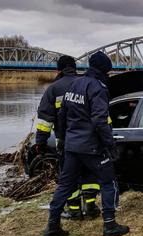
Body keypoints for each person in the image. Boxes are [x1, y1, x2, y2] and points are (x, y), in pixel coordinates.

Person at [43, 51, 129, 236]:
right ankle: (110, 225)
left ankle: (52, 227)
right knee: (108, 182)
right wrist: (110, 146)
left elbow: (62, 115)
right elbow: (100, 120)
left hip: (72, 146)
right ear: (104, 70)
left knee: (64, 186)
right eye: (108, 71)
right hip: (93, 147)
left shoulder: (75, 83)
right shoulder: (98, 87)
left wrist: (63, 140)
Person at [34, 55, 101, 220]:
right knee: (89, 176)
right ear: (74, 67)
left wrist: (40, 142)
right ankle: (91, 208)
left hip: (65, 141)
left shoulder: (54, 89)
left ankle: (74, 210)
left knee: (69, 177)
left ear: (58, 69)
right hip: (90, 140)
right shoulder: (87, 84)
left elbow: (45, 120)